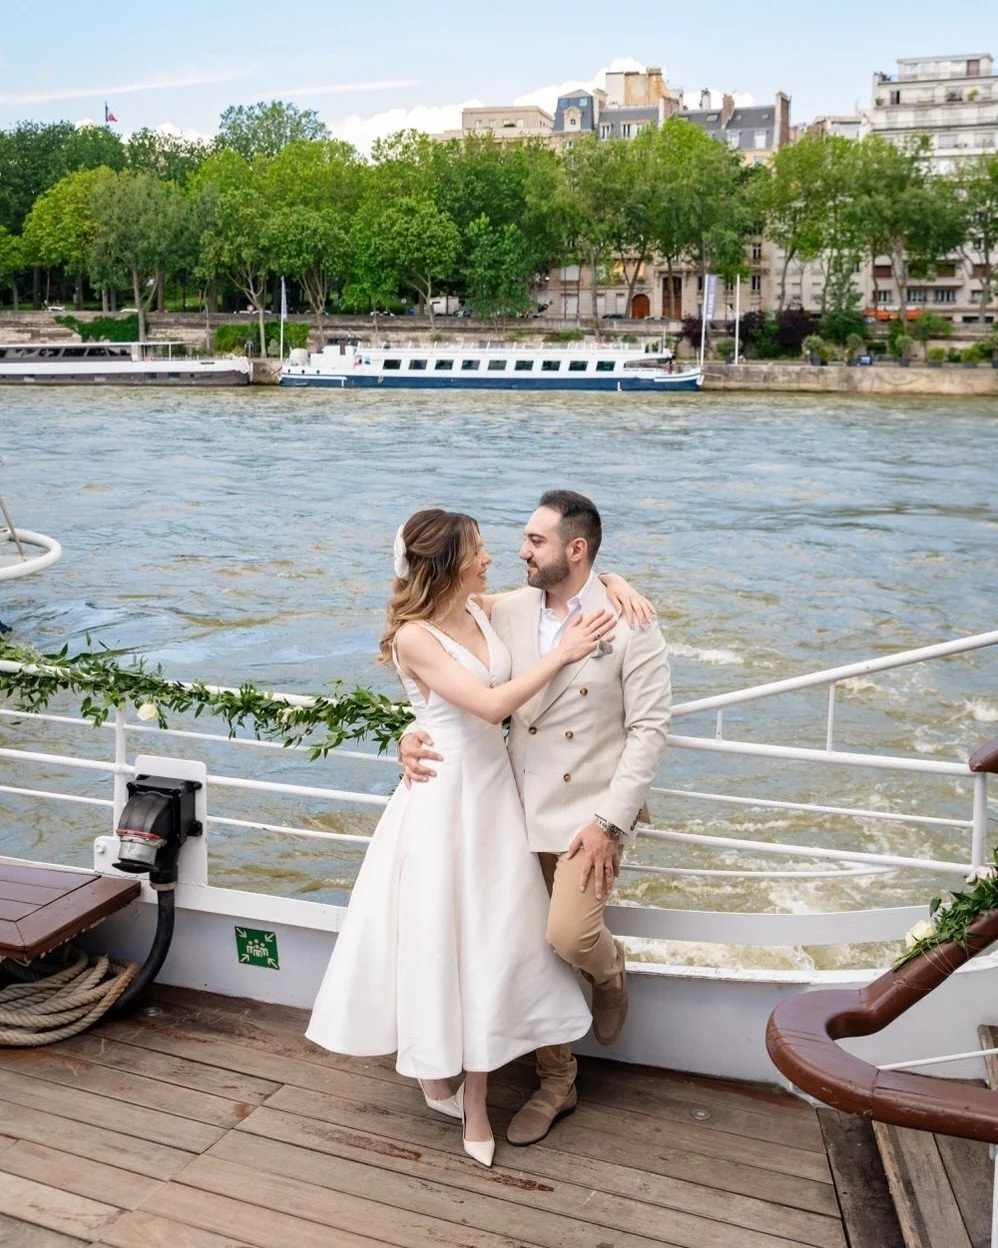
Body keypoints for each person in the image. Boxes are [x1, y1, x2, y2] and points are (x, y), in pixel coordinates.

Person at [307, 508, 630, 1168]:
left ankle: (476, 1091)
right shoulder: (414, 637)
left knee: (488, 943)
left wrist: (614, 578)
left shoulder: (482, 607)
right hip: (443, 800)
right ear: (449, 560)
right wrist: (565, 652)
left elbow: (562, 580)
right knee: (448, 942)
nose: (491, 558)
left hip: (494, 799)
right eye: (479, 549)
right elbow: (487, 707)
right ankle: (456, 1090)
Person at [401, 490, 671, 1146]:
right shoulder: (510, 606)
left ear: (574, 550)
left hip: (586, 814)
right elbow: (432, 631)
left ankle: (610, 972)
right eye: (521, 540)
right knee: (521, 944)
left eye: (535, 542)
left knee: (570, 938)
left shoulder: (631, 621)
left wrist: (609, 823)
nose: (519, 551)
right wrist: (409, 730)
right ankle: (558, 1080)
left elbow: (651, 729)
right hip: (504, 804)